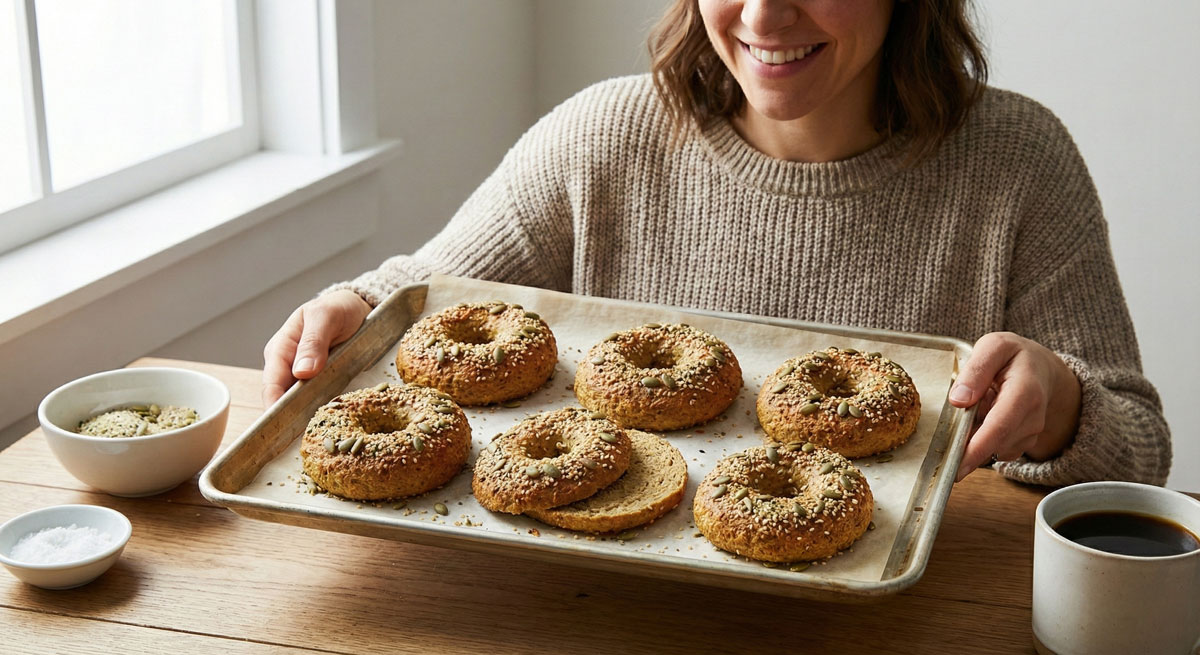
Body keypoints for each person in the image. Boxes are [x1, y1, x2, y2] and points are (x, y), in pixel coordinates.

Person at [262, 0, 1171, 487]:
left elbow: (1139, 441)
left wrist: (1064, 407)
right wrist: (353, 303)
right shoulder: (602, 139)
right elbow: (430, 290)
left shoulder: (1019, 162)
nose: (765, 19)